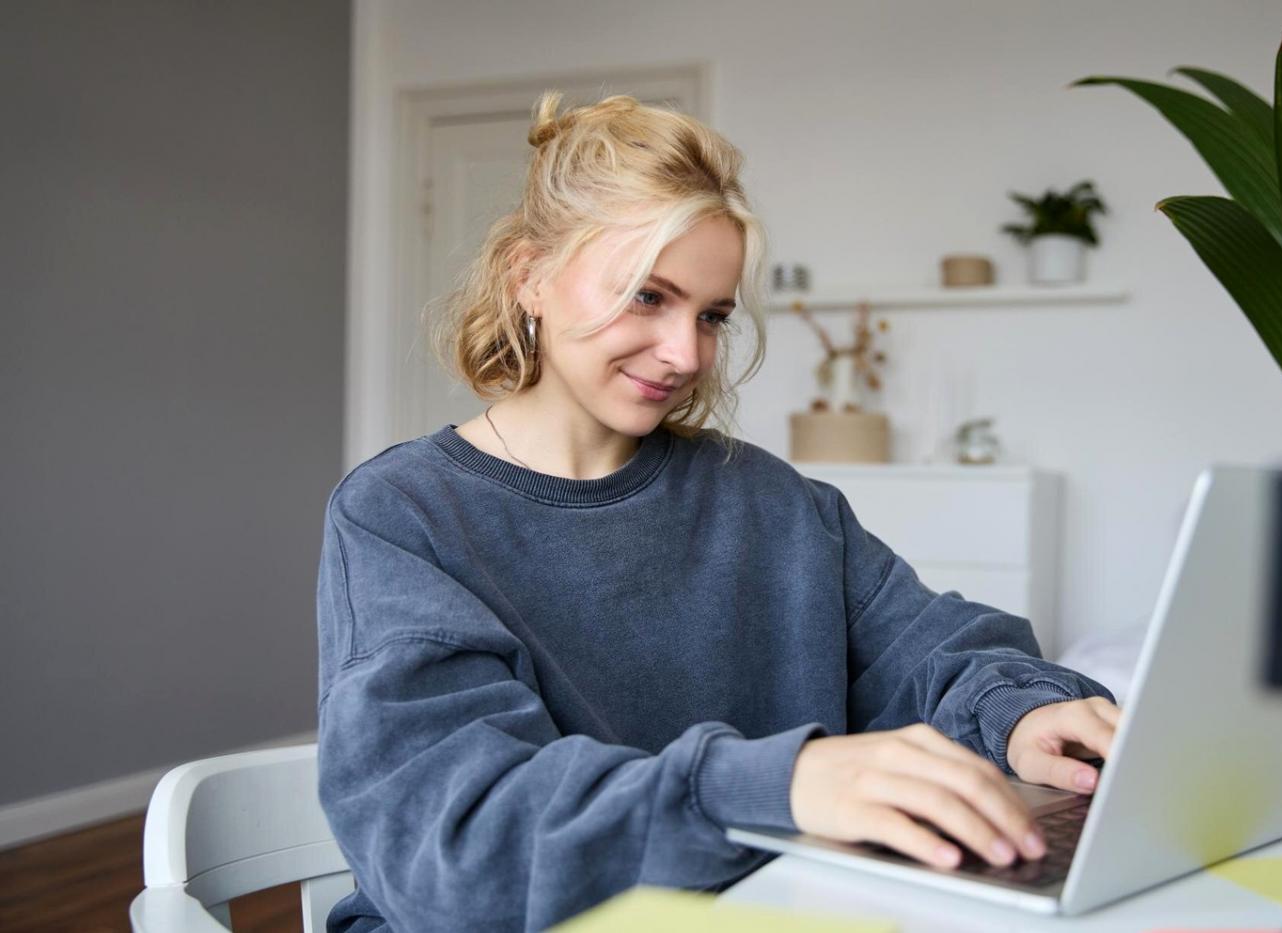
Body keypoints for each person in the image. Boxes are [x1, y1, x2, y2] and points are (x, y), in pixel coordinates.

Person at [315, 91, 1118, 933]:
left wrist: (1024, 710)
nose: (686, 354)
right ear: (530, 277)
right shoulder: (403, 513)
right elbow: (458, 843)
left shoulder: (770, 500)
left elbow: (934, 649)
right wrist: (779, 784)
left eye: (713, 315)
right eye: (646, 297)